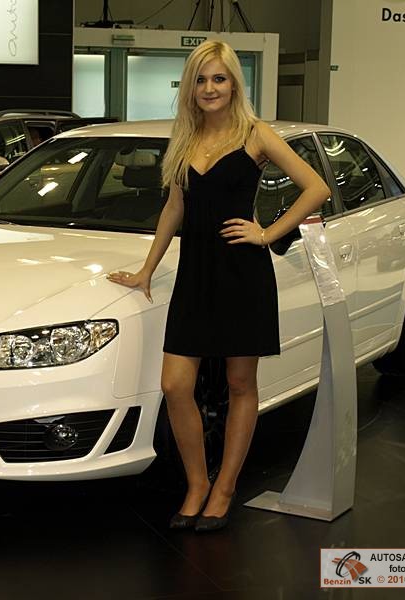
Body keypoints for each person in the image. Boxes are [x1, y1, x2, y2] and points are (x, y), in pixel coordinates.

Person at [107, 40, 330, 532]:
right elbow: (174, 209)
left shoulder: (255, 134)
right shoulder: (185, 139)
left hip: (242, 274)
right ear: (191, 87)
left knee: (239, 384)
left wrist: (267, 233)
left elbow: (317, 187)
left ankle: (224, 487)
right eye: (201, 80)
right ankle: (196, 484)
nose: (210, 88)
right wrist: (146, 269)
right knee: (175, 385)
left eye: (219, 78)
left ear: (234, 84)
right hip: (196, 275)